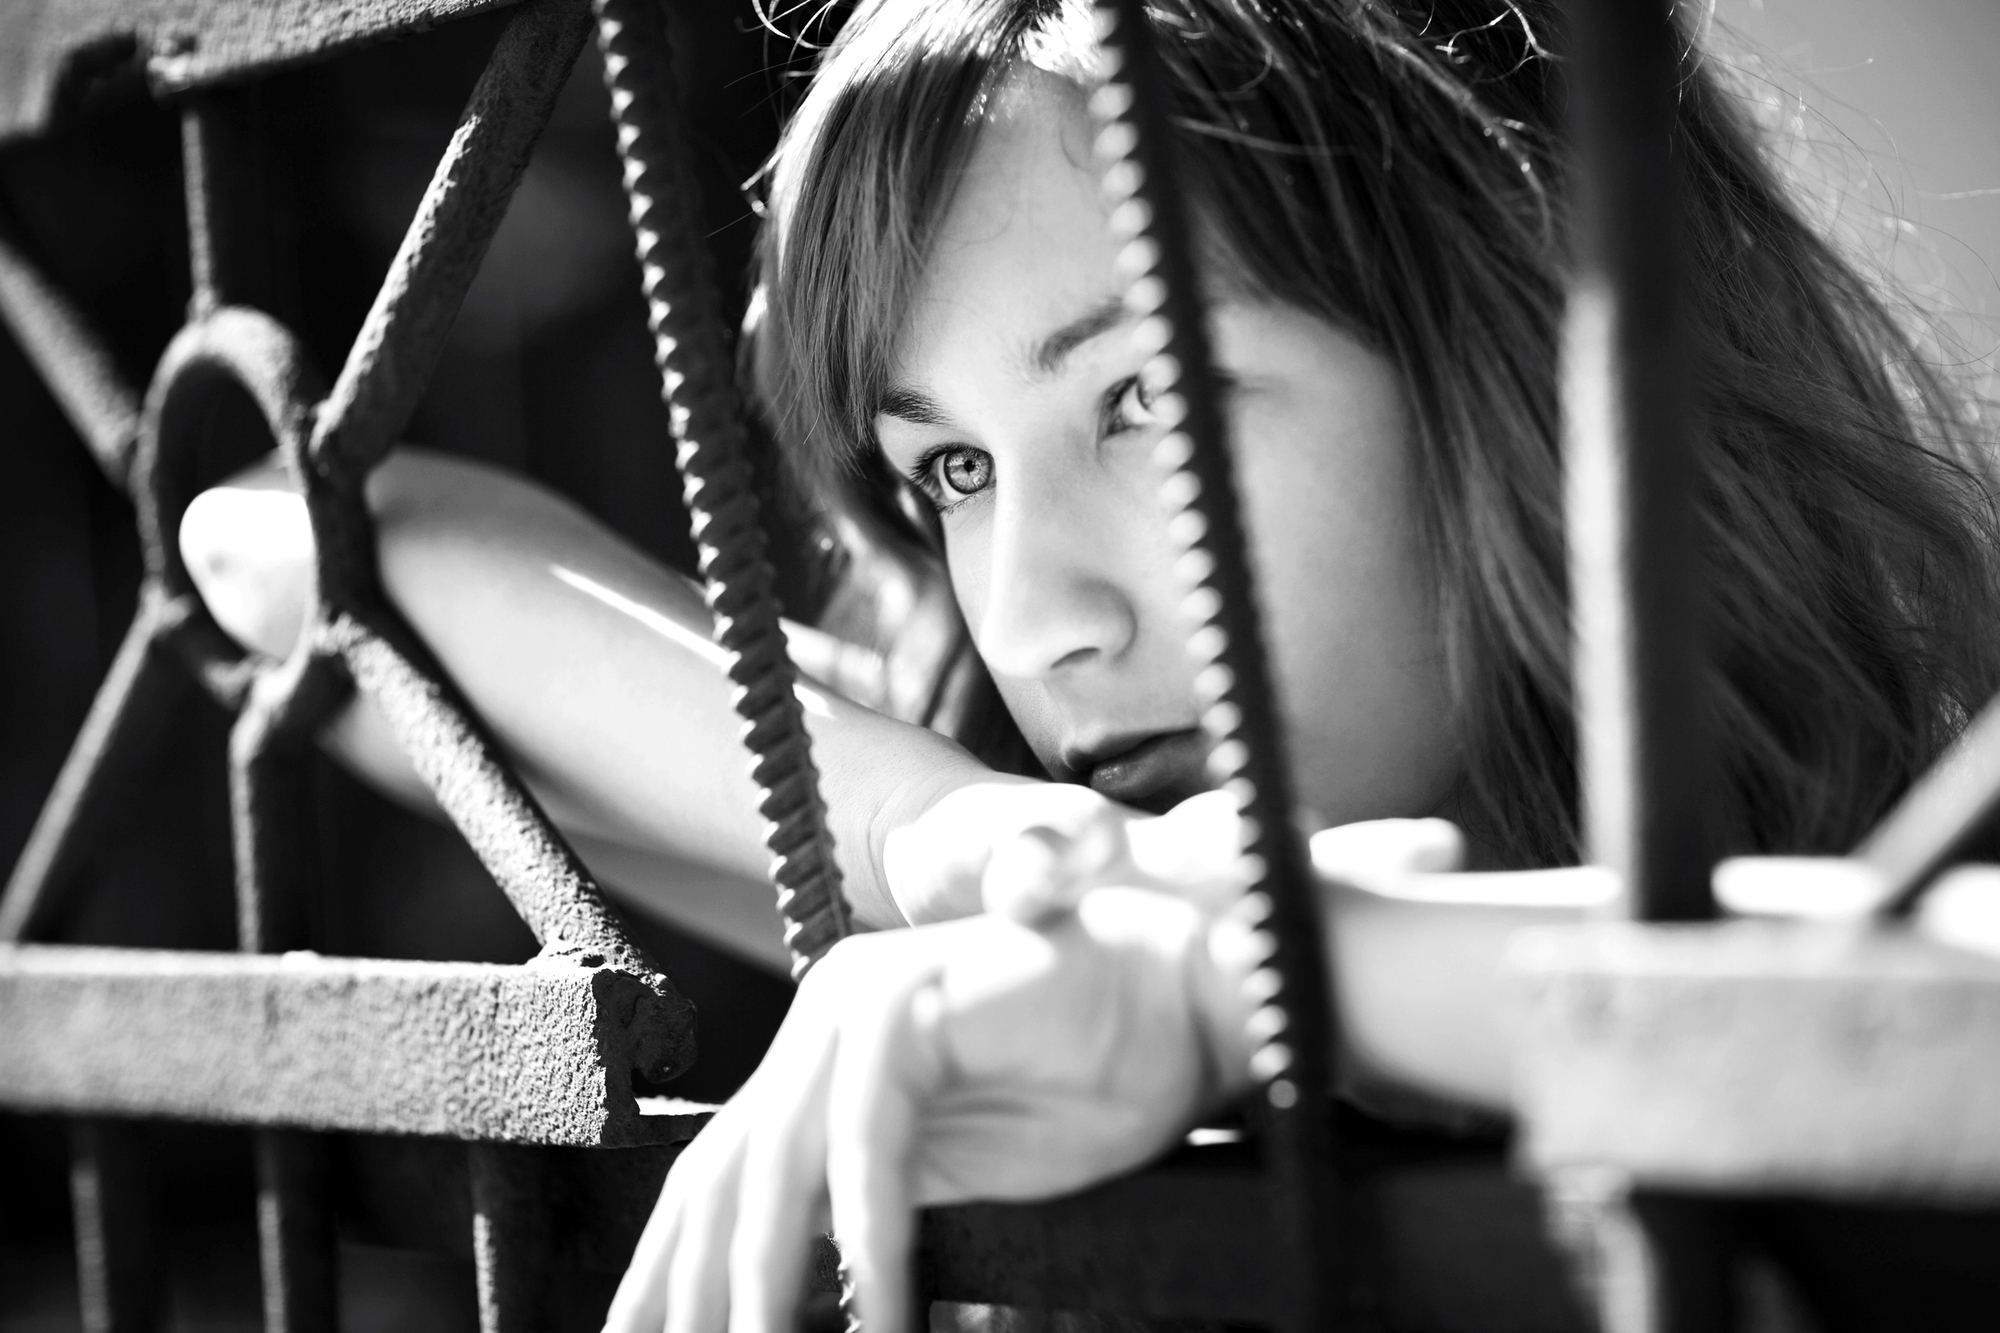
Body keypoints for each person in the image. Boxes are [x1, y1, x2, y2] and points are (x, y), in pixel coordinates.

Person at [179, 0, 2000, 1329]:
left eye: (1148, 397)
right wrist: (957, 844)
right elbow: (279, 554)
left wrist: (1243, 969)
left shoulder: (1934, 828)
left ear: (1508, 361)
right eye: (948, 471)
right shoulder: (1024, 883)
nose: (1042, 613)